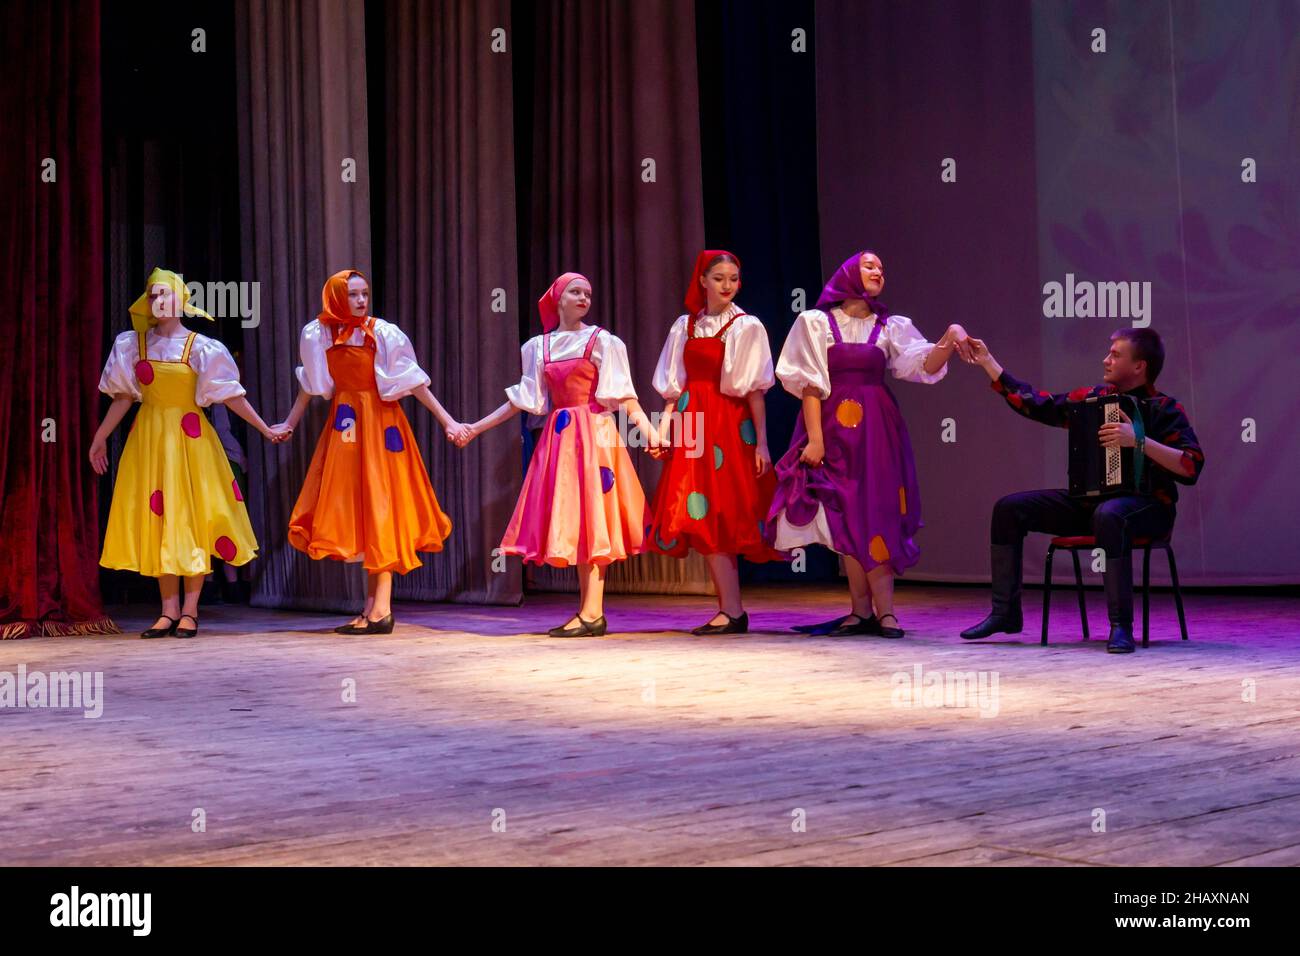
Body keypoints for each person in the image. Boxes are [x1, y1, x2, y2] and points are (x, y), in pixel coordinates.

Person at [960, 328, 1205, 652]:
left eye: (1116, 354)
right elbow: (1038, 404)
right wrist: (988, 362)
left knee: (1110, 515)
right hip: (1093, 507)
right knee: (1009, 509)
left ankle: (1120, 626)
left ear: (1139, 366)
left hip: (1148, 508)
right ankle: (1005, 613)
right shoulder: (1093, 399)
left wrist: (1139, 440)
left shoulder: (1164, 409)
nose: (1106, 359)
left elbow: (1190, 466)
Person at [767, 250, 972, 638]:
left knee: (876, 512)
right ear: (848, 274)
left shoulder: (890, 326)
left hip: (877, 431)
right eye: (870, 266)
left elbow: (923, 366)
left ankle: (887, 611)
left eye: (882, 267)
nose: (879, 271)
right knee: (844, 512)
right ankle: (861, 610)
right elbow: (809, 384)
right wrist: (815, 439)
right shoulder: (816, 323)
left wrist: (951, 336)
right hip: (830, 429)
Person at [457, 273, 655, 637]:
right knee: (577, 519)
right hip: (561, 438)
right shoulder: (538, 347)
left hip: (595, 431)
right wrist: (476, 427)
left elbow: (625, 395)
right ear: (558, 298)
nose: (583, 298)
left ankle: (593, 611)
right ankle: (589, 611)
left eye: (588, 293)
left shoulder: (602, 341)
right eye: (575, 292)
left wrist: (650, 434)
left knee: (596, 519)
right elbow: (524, 401)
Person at [91, 267, 282, 638]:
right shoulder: (133, 344)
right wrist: (100, 437)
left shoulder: (202, 348)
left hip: (189, 441)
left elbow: (231, 396)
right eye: (153, 295)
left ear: (182, 300)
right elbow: (123, 398)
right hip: (150, 440)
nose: (158, 301)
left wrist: (264, 428)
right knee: (162, 521)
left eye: (165, 294)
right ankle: (167, 610)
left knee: (190, 522)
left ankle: (191, 610)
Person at [276, 270, 457, 635]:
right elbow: (313, 387)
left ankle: (382, 608)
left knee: (381, 505)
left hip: (380, 423)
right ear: (337, 297)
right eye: (353, 294)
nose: (361, 301)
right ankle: (373, 607)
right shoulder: (319, 334)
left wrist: (447, 420)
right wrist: (289, 423)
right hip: (345, 425)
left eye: (364, 294)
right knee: (359, 507)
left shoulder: (383, 332)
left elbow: (413, 381)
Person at [646, 250, 784, 635]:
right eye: (719, 278)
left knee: (723, 511)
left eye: (734, 279)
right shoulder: (684, 326)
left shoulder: (746, 326)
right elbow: (673, 388)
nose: (727, 286)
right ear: (703, 281)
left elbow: (755, 391)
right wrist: (663, 430)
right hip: (692, 420)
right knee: (698, 510)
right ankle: (731, 609)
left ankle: (733, 609)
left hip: (727, 423)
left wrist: (762, 445)